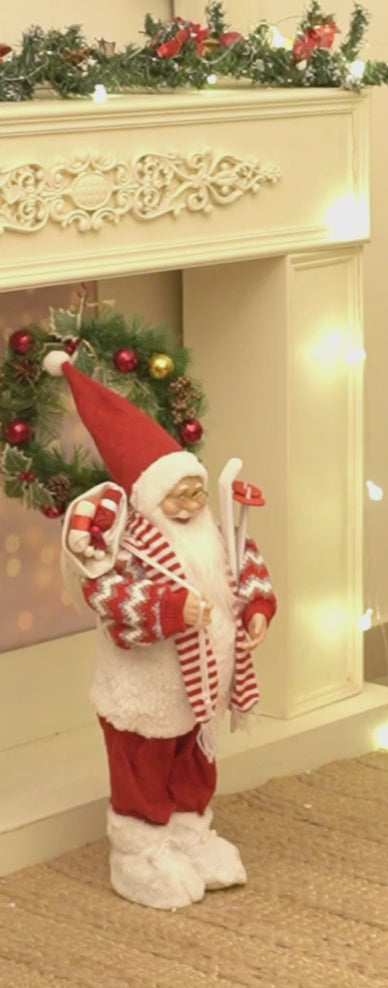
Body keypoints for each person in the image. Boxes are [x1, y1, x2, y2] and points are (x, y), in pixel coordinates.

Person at [52, 354, 277, 910]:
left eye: (197, 491)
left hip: (200, 689)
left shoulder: (211, 530)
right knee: (144, 766)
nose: (193, 504)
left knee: (193, 759)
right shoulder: (122, 545)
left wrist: (256, 608)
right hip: (144, 692)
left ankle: (189, 831)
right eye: (179, 496)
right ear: (150, 498)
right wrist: (172, 609)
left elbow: (245, 564)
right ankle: (139, 850)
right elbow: (109, 598)